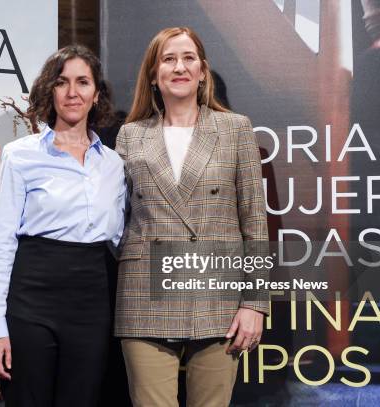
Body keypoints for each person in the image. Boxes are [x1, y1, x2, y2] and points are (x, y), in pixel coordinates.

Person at [115, 27, 269, 406]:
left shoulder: (235, 129)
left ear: (203, 71)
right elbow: (112, 221)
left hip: (219, 299)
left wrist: (255, 303)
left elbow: (255, 222)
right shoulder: (130, 136)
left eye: (188, 58)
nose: (179, 67)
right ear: (153, 74)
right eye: (168, 59)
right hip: (144, 298)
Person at [0, 45, 126, 407]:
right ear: (50, 91)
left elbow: (122, 237)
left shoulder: (114, 164)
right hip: (31, 299)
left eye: (83, 82)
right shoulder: (21, 154)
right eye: (62, 82)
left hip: (93, 301)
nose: (72, 92)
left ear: (96, 94)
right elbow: (1, 243)